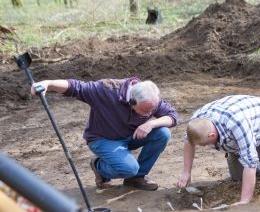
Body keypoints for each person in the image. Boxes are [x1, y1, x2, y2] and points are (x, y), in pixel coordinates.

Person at [31, 77, 178, 190]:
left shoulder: (150, 97)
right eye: (146, 110)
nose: (150, 113)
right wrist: (48, 83)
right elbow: (75, 87)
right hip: (103, 139)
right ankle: (99, 168)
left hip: (130, 136)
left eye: (152, 109)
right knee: (129, 168)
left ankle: (135, 179)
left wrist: (151, 123)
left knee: (163, 133)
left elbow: (172, 116)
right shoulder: (106, 90)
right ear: (131, 101)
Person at [176, 95, 260, 205]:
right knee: (238, 177)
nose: (203, 146)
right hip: (240, 134)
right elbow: (189, 141)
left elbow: (250, 162)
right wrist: (186, 172)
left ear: (212, 135)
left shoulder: (236, 124)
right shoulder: (196, 121)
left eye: (204, 144)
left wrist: (244, 201)